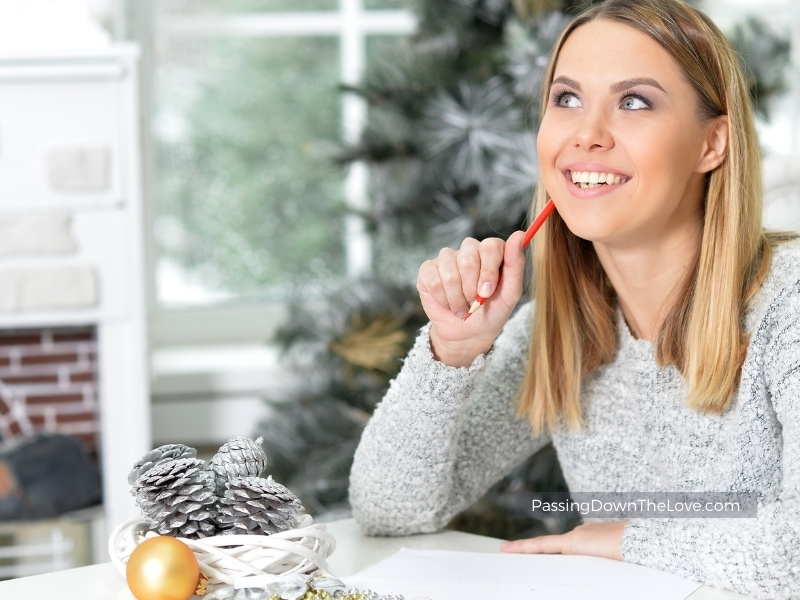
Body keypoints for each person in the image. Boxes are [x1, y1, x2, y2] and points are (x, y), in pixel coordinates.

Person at [348, 0, 800, 597]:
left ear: (711, 144)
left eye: (634, 101)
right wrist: (451, 354)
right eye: (566, 100)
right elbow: (389, 510)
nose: (586, 135)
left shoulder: (788, 307)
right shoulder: (556, 332)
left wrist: (623, 539)